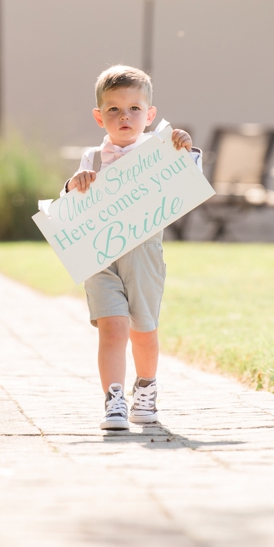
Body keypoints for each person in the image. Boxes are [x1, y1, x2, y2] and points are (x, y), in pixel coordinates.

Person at [65, 65, 202, 430]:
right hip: (100, 256)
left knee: (143, 329)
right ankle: (113, 400)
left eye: (134, 109)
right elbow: (70, 209)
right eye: (114, 110)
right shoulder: (91, 159)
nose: (124, 117)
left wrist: (185, 149)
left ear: (150, 114)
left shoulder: (162, 151)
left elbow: (187, 181)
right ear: (99, 116)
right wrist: (73, 184)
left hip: (143, 255)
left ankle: (145, 388)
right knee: (112, 327)